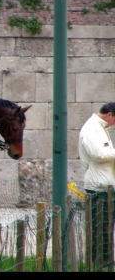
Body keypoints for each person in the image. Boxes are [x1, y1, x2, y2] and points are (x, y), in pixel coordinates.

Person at [78, 102, 115, 263]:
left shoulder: (101, 128)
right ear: (109, 114)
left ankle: (105, 260)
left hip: (106, 186)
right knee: (99, 229)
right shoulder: (91, 129)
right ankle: (98, 261)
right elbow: (98, 154)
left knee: (107, 229)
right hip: (98, 187)